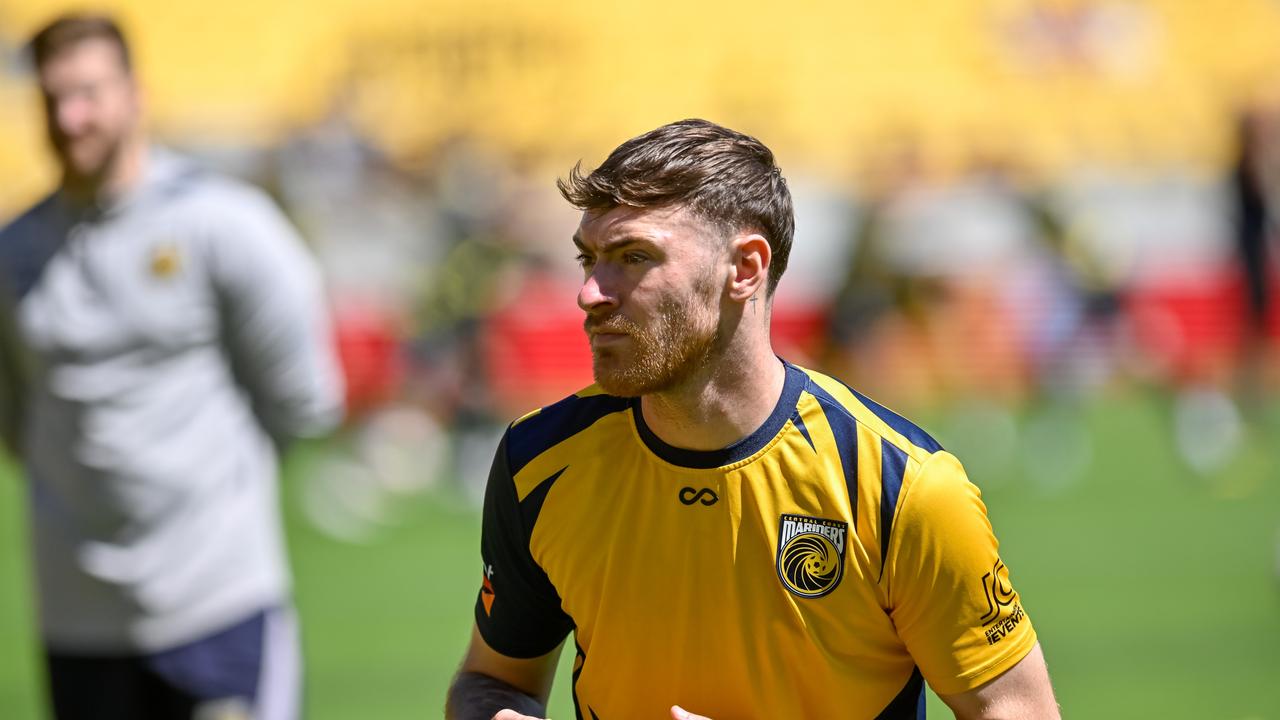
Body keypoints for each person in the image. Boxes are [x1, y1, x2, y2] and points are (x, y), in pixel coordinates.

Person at [446, 119, 1059, 719]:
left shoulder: (901, 487)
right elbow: (492, 681)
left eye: (634, 258)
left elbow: (1015, 709)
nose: (591, 294)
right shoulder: (539, 461)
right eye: (590, 260)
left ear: (744, 269)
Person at [0, 14, 344, 720]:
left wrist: (212, 489)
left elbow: (304, 397)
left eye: (90, 93)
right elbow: (13, 419)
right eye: (54, 98)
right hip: (77, 614)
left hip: (216, 598)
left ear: (137, 94)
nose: (72, 117)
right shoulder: (13, 251)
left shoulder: (223, 223)